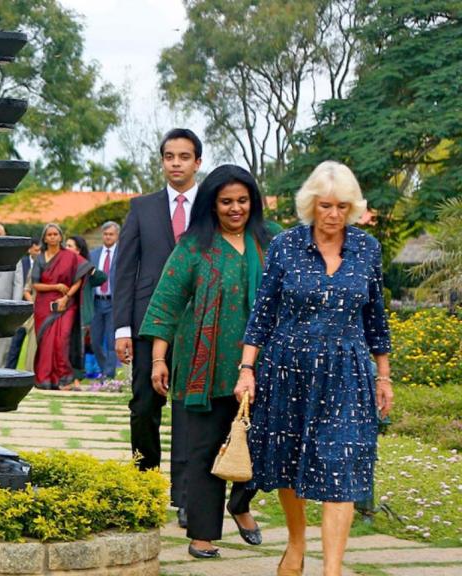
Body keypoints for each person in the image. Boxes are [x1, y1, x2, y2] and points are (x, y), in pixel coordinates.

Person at [235, 161, 392, 576]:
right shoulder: (286, 246)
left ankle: (332, 570)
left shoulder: (367, 249)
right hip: (287, 369)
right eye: (325, 206)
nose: (334, 215)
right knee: (290, 460)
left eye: (342, 206)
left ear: (353, 207)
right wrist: (246, 370)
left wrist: (384, 374)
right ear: (311, 205)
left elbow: (376, 317)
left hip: (347, 372)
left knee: (340, 464)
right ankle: (296, 544)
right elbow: (263, 314)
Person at [139, 165, 278, 559]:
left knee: (265, 444)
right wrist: (159, 359)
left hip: (264, 367)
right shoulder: (194, 247)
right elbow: (166, 304)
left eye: (242, 200)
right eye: (226, 201)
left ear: (254, 202)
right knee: (204, 450)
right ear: (212, 205)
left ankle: (240, 503)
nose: (236, 208)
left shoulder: (271, 244)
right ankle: (202, 534)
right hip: (207, 367)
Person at [113, 128, 203, 526]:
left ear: (197, 162)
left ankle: (185, 496)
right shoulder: (142, 208)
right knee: (145, 406)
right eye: (169, 156)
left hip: (200, 323)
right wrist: (121, 328)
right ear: (163, 161)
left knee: (188, 410)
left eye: (184, 157)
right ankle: (144, 484)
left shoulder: (211, 209)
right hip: (149, 323)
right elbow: (124, 269)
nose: (176, 164)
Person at [31, 223, 93, 389]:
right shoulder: (40, 258)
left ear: (60, 237)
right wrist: (56, 287)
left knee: (62, 340)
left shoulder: (70, 256)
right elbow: (36, 285)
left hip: (67, 305)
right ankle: (45, 380)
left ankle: (64, 379)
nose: (52, 237)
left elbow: (79, 277)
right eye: (49, 234)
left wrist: (66, 296)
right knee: (45, 343)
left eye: (55, 234)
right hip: (44, 306)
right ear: (45, 238)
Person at [64, 235, 107, 389]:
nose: (66, 248)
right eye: (66, 245)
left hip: (81, 314)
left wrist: (89, 268)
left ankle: (76, 380)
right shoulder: (62, 265)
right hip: (63, 312)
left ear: (78, 249)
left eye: (70, 246)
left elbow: (102, 278)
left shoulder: (85, 268)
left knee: (78, 348)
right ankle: (65, 379)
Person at [0, 223, 25, 368]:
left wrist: (14, 308)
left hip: (3, 307)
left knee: (0, 348)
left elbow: (18, 284)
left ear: (5, 236)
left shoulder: (13, 257)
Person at [89, 222, 120, 380]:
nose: (108, 237)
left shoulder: (122, 254)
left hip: (113, 302)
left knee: (111, 339)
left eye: (111, 234)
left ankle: (108, 374)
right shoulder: (93, 254)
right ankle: (103, 369)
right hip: (96, 302)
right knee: (95, 341)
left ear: (117, 236)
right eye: (105, 234)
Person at [5, 236, 41, 370]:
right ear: (30, 249)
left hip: (35, 310)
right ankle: (9, 369)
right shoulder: (22, 262)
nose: (38, 252)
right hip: (22, 309)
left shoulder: (42, 264)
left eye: (39, 250)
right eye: (36, 249)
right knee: (16, 342)